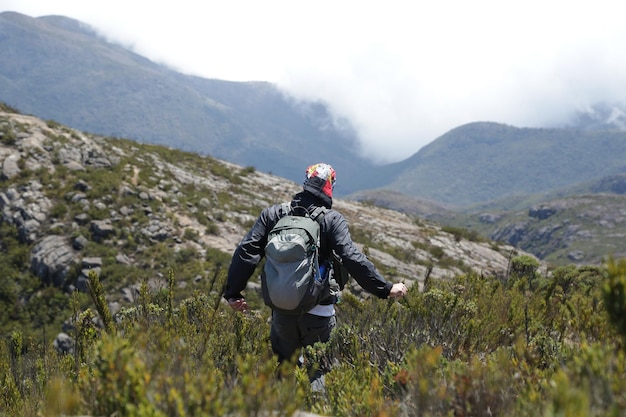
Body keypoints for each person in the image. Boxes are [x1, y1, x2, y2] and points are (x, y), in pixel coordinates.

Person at [224, 162, 408, 381]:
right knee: (320, 371)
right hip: (319, 313)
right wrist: (385, 288)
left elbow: (246, 251)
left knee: (284, 371)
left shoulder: (273, 214)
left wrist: (233, 293)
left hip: (282, 311)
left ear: (306, 180)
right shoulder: (331, 219)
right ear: (330, 186)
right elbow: (351, 257)